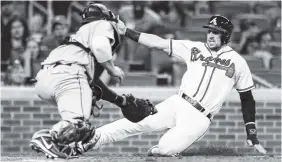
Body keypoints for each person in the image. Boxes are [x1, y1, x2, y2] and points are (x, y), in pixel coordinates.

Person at [74, 15, 267, 157]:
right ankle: (85, 142)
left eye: (216, 32)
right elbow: (158, 43)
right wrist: (127, 32)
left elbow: (247, 98)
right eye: (209, 31)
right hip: (178, 103)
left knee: (166, 149)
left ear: (226, 36)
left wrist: (252, 132)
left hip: (200, 116)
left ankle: (158, 153)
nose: (210, 35)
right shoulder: (194, 48)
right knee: (130, 124)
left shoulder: (238, 62)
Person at [29, 3, 127, 159]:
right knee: (79, 124)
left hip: (44, 80)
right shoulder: (102, 24)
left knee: (80, 125)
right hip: (70, 75)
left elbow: (94, 82)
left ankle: (63, 146)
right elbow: (100, 46)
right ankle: (47, 138)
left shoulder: (79, 36)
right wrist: (112, 69)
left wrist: (118, 101)